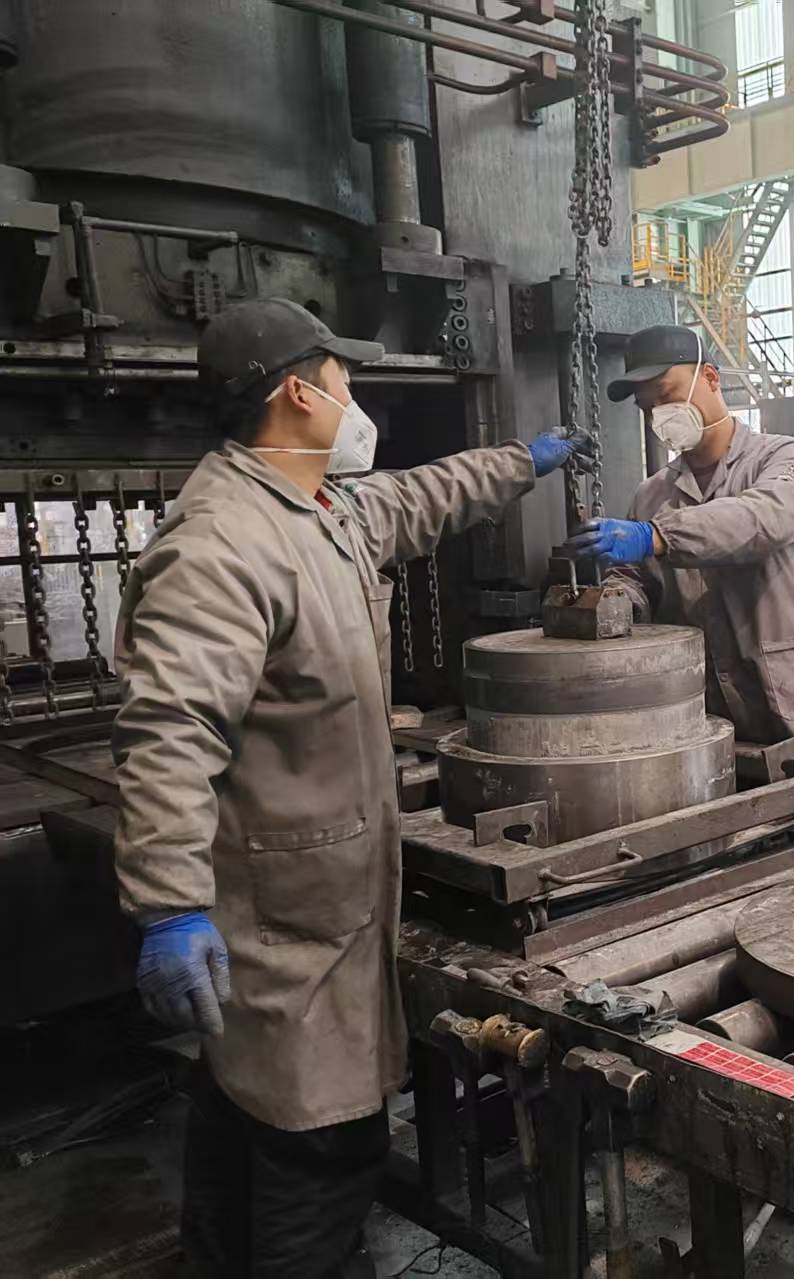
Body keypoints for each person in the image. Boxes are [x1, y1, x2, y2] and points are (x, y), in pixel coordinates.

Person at [111, 297, 580, 1278]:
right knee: (314, 1163)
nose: (353, 395)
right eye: (342, 377)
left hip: (322, 916)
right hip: (286, 936)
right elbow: (171, 730)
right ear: (298, 392)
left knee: (243, 1145)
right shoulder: (224, 543)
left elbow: (422, 495)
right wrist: (168, 904)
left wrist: (523, 461)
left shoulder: (319, 508)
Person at [569, 324, 794, 761]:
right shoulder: (651, 495)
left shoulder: (785, 458)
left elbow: (759, 520)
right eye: (647, 407)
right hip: (711, 714)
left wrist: (658, 536)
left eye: (666, 395)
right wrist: (611, 602)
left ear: (709, 378)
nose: (659, 414)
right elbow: (636, 581)